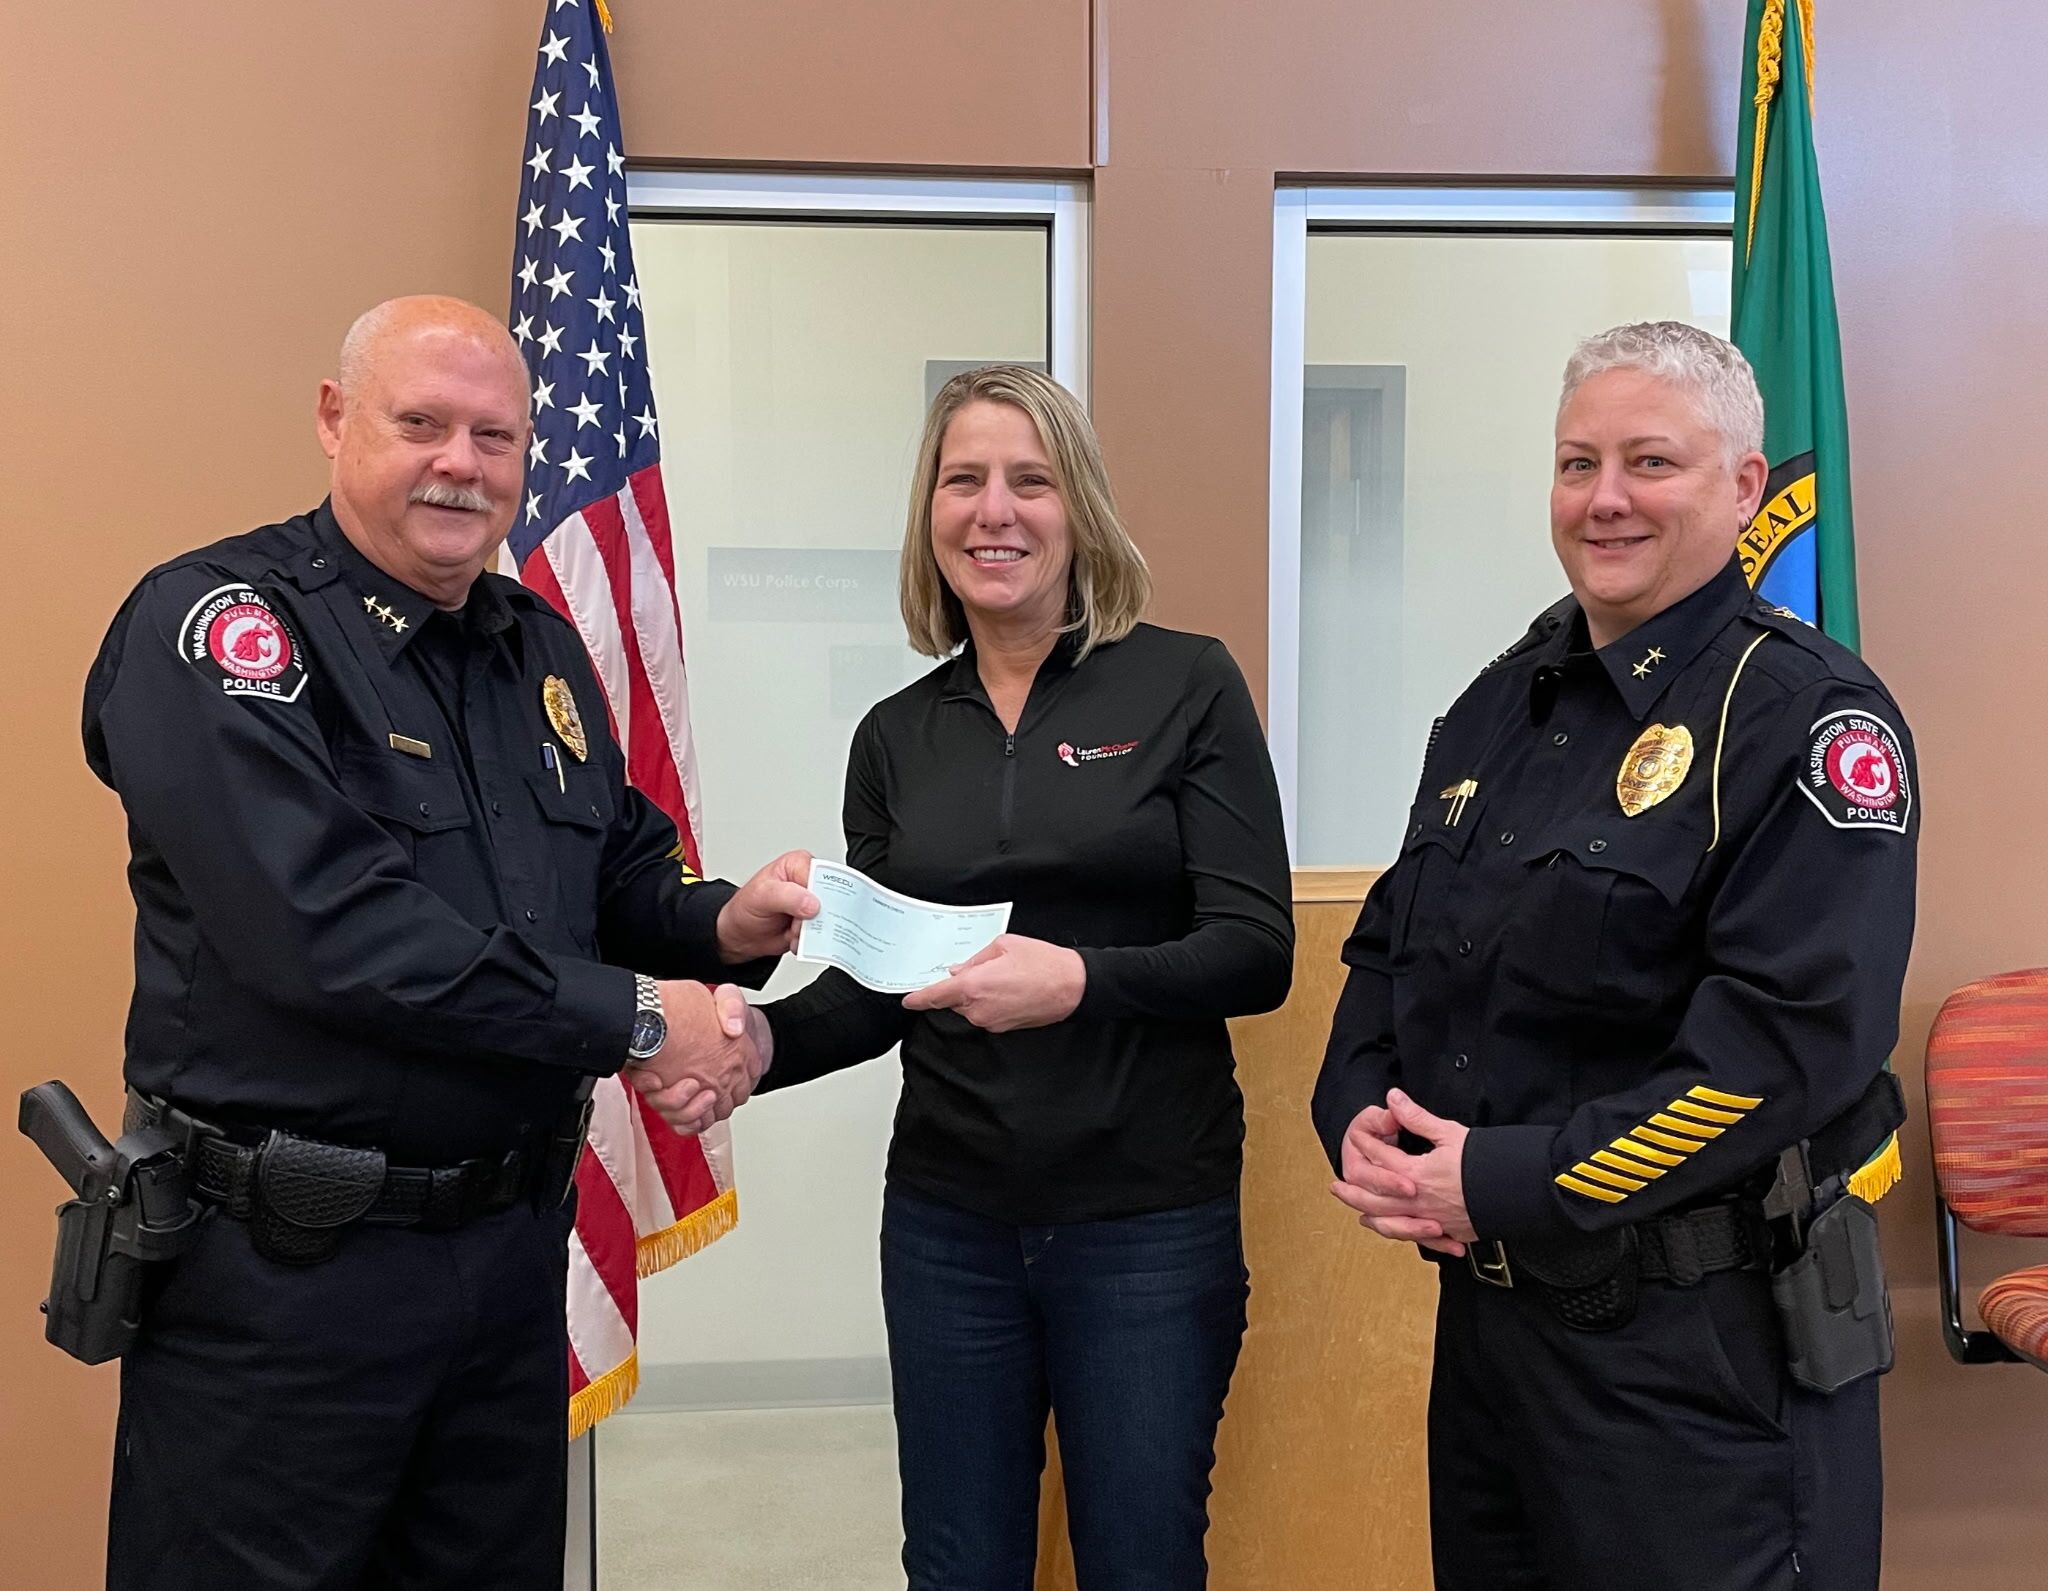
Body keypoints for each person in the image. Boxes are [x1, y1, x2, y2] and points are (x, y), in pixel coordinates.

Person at [82, 295, 810, 1589]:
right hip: (285, 1278)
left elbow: (619, 872)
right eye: (422, 423)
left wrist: (729, 922)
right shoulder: (228, 633)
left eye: (495, 435)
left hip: (501, 1261)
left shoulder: (530, 641)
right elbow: (332, 933)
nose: (461, 464)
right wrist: (644, 1021)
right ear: (333, 418)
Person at [637, 365, 1294, 1589]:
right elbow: (883, 982)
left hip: (1146, 1223)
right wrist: (755, 1050)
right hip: (949, 1226)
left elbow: (1255, 951)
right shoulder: (896, 733)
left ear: (1077, 508)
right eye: (963, 480)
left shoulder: (1185, 683)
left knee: (1140, 1562)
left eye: (1028, 480)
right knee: (953, 1565)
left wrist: (1077, 980)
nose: (994, 510)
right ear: (928, 514)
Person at [1310, 320, 1917, 1589]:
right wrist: (1361, 1115)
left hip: (1696, 1351)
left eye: (1651, 462)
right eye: (1576, 461)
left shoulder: (1805, 717)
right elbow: (1393, 949)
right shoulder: (1501, 701)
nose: (1604, 499)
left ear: (1744, 488)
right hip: (1490, 1329)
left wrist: (1511, 1179)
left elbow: (1781, 1051)